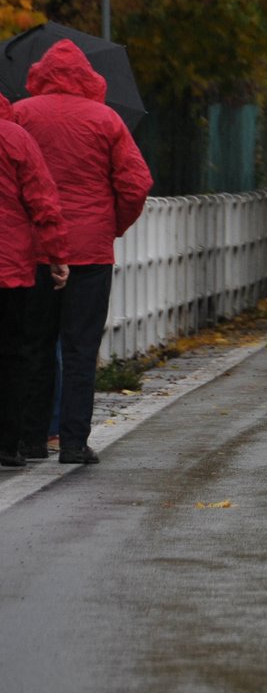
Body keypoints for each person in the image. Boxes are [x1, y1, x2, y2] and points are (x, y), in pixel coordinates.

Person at [15, 40, 153, 466]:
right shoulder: (106, 119)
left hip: (34, 251)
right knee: (80, 348)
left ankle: (33, 440)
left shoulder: (20, 116)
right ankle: (74, 444)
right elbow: (136, 184)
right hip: (90, 255)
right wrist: (111, 226)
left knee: (34, 346)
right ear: (87, 78)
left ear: (41, 73)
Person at [0, 92, 70, 468]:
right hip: (10, 266)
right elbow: (43, 200)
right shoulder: (15, 137)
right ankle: (10, 443)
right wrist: (58, 255)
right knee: (13, 353)